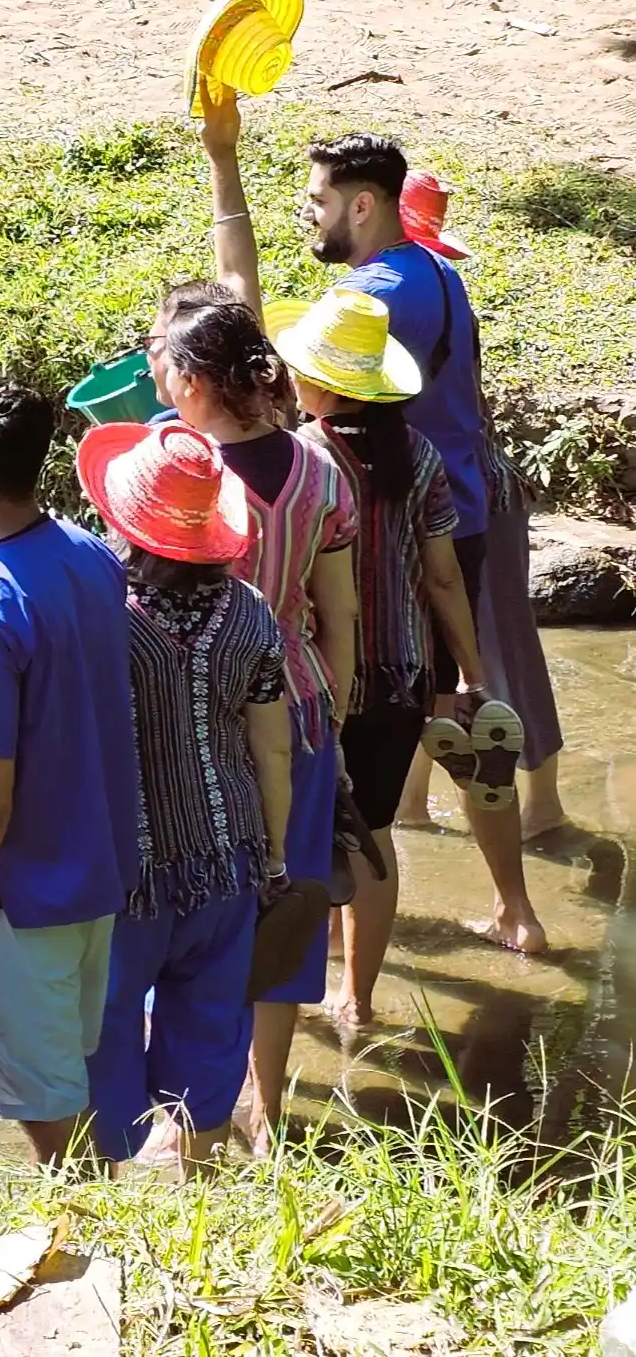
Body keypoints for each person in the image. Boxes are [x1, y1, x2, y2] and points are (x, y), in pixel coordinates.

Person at [292, 133, 546, 954]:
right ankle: (513, 908)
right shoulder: (439, 272)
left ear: (361, 205)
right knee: (448, 716)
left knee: (411, 718)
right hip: (457, 509)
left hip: (391, 527)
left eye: (319, 199)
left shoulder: (368, 298)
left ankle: (354, 928)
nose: (310, 212)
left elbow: (295, 381)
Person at [176, 84, 360, 1149]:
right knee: (285, 906)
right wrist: (324, 710)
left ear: (191, 388)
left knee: (198, 902)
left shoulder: (179, 472)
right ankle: (268, 1107)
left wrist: (222, 159)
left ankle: (192, 1118)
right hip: (295, 706)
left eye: (165, 364)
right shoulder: (313, 466)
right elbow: (335, 615)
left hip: (197, 716)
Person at [0, 376, 140, 1165]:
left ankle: (98, 1264)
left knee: (51, 1124)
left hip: (20, 906)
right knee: (69, 1089)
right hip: (95, 880)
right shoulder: (89, 556)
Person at [268, 287, 505, 1020]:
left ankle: (286, 991)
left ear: (324, 383)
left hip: (318, 679)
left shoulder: (302, 458)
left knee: (304, 829)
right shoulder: (421, 454)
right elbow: (441, 576)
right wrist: (471, 672)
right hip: (401, 676)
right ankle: (358, 998)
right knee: (372, 827)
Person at [76, 422, 292, 1177]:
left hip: (123, 867)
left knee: (102, 1027)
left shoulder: (99, 614)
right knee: (208, 1021)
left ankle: (99, 1186)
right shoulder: (250, 613)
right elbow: (271, 748)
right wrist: (272, 853)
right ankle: (199, 1179)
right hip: (226, 858)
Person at [390, 171, 568, 841]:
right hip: (440, 498)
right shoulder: (429, 286)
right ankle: (406, 802)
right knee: (422, 655)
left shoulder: (424, 293)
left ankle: (544, 802)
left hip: (474, 498)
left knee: (501, 649)